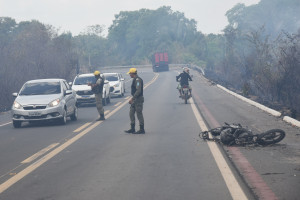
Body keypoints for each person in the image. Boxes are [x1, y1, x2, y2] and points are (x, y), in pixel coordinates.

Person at [124, 68, 145, 134]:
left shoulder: (138, 80)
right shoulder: (135, 79)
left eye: (130, 73)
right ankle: (132, 128)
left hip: (138, 99)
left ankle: (142, 129)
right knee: (131, 113)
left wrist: (132, 99)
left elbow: (138, 91)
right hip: (135, 99)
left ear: (133, 73)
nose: (129, 74)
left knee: (139, 114)